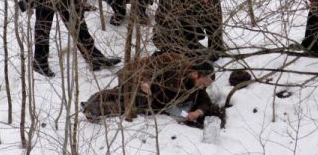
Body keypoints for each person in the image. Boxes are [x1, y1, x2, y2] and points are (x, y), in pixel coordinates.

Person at [82, 53, 217, 124]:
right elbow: (150, 65)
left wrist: (198, 112)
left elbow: (205, 101)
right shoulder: (175, 61)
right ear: (195, 74)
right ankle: (92, 107)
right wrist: (144, 81)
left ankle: (91, 107)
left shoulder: (197, 87)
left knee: (132, 105)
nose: (204, 87)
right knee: (125, 99)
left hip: (153, 96)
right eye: (204, 82)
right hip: (134, 76)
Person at [152, 0, 225, 61]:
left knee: (205, 56)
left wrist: (216, 48)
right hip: (167, 36)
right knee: (187, 58)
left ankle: (192, 51)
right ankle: (167, 55)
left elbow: (215, 24)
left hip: (193, 36)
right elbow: (161, 19)